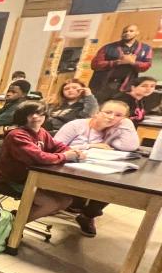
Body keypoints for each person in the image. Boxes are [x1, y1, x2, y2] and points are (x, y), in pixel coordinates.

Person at [54, 99, 139, 236]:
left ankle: (88, 215)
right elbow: (53, 147)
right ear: (97, 112)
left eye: (118, 115)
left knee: (117, 184)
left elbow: (130, 146)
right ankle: (75, 203)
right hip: (66, 167)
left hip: (93, 168)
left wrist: (127, 124)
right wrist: (89, 146)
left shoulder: (113, 131)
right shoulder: (76, 125)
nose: (111, 117)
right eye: (108, 112)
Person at [0, 101, 86, 222]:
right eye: (30, 114)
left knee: (66, 200)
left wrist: (73, 151)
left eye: (39, 113)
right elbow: (39, 157)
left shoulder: (42, 132)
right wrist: (65, 156)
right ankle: (11, 229)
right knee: (49, 204)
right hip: (11, 180)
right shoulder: (17, 135)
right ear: (22, 117)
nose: (36, 117)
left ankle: (18, 217)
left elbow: (57, 146)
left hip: (31, 177)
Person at [90, 24, 153, 101]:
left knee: (117, 108)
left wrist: (133, 62)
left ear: (137, 32)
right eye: (125, 31)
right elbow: (95, 64)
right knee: (97, 107)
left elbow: (146, 66)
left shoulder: (146, 48)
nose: (127, 33)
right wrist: (118, 62)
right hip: (102, 85)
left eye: (131, 31)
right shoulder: (108, 47)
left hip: (126, 86)